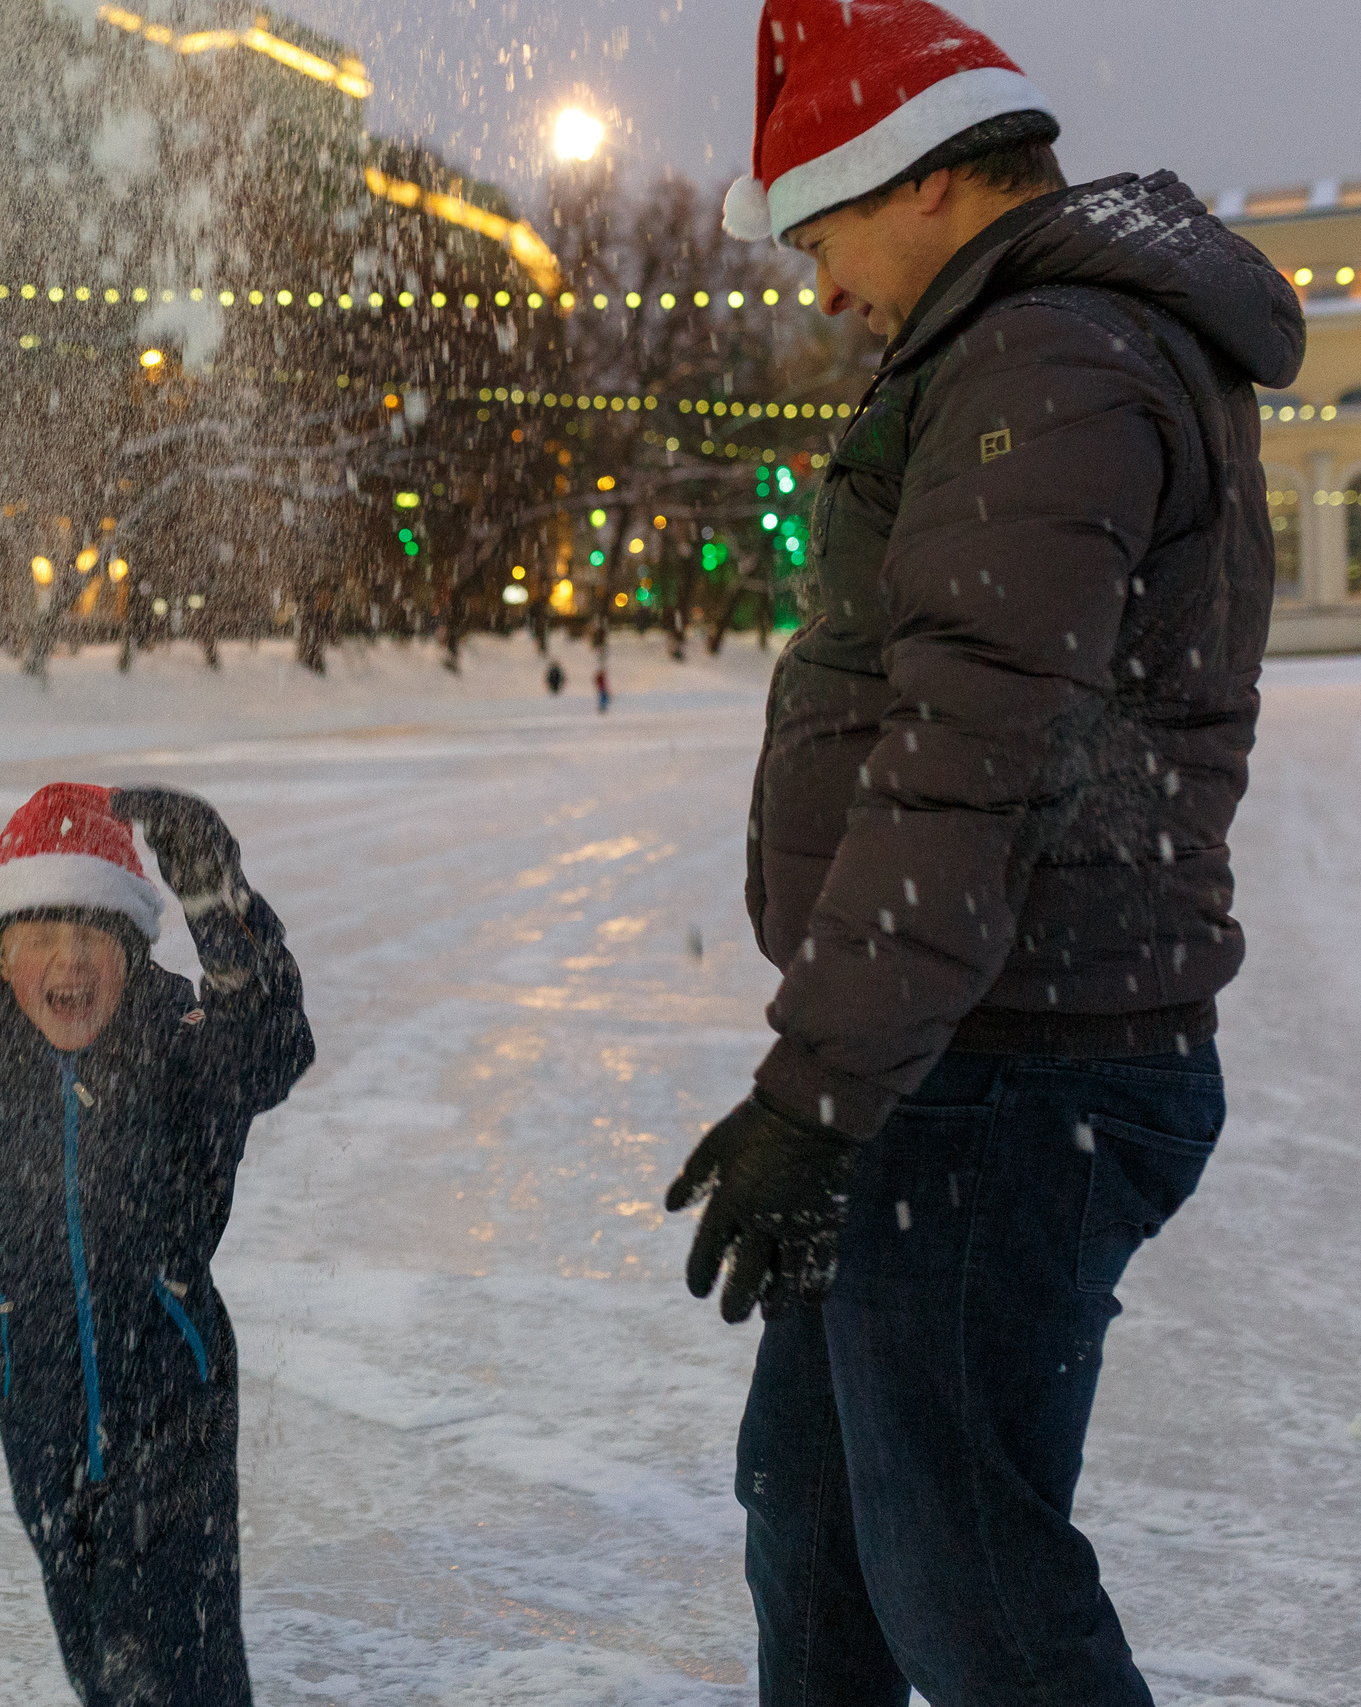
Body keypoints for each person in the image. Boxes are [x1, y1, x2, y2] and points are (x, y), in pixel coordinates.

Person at [665, 5, 1304, 1704]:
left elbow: (974, 759)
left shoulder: (1050, 365)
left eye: (823, 233)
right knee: (818, 1525)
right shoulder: (1026, 350)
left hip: (1021, 1064)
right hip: (952, 1049)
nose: (822, 292)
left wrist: (817, 1096)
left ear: (927, 181)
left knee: (967, 1585)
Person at [0, 783, 312, 1707]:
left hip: (172, 1401)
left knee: (181, 1664)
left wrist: (220, 903)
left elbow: (271, 1043)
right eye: (42, 933)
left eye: (95, 934)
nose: (71, 959)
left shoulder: (177, 1045)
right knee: (98, 1658)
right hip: (37, 1411)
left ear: (132, 951)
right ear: (3, 958)